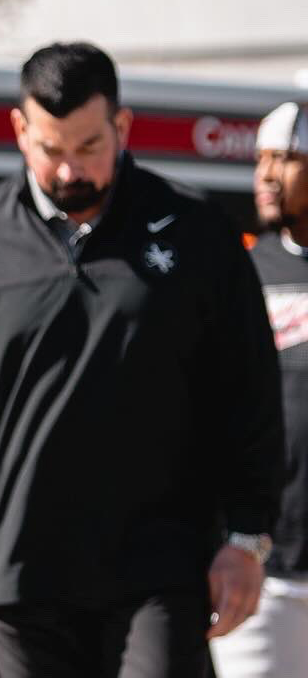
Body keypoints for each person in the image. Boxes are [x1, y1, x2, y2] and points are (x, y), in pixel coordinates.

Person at [0, 42, 283, 678]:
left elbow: (250, 394)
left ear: (122, 127)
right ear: (19, 130)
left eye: (89, 147)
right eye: (50, 150)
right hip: (15, 580)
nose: (70, 172)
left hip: (161, 575)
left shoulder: (196, 233)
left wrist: (247, 538)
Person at [212, 101, 308, 676]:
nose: (268, 175)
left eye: (288, 159)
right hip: (262, 573)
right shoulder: (238, 271)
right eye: (261, 160)